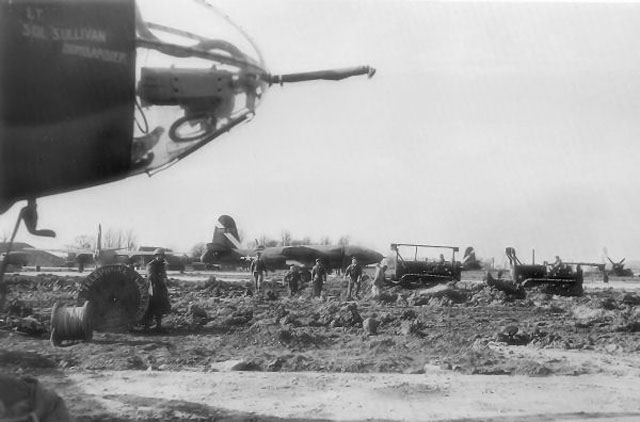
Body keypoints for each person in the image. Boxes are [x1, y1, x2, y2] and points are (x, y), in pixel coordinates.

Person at [142, 248, 171, 331]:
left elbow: (164, 275)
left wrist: (166, 281)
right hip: (153, 288)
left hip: (161, 289)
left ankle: (158, 325)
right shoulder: (151, 265)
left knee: (160, 307)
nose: (160, 257)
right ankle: (146, 326)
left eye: (162, 256)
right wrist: (161, 279)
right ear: (155, 256)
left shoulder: (162, 265)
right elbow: (151, 276)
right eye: (158, 255)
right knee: (150, 307)